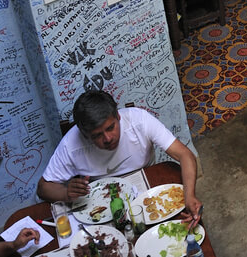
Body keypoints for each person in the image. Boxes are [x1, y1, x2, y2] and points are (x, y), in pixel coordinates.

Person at [36, 91, 203, 225]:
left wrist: (189, 196)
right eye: (97, 135)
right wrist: (65, 192)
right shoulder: (70, 145)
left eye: (111, 127)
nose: (108, 138)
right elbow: (43, 187)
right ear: (84, 134)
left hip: (146, 182)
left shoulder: (139, 119)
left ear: (118, 116)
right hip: (104, 202)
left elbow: (184, 155)